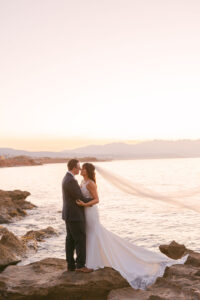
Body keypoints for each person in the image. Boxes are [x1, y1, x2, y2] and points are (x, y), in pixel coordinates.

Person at [76, 163, 188, 289]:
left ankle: (93, 262)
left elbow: (97, 199)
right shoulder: (82, 182)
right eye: (82, 168)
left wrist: (85, 205)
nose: (82, 170)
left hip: (90, 212)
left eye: (84, 168)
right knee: (90, 234)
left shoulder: (90, 183)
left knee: (94, 234)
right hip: (85, 212)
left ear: (88, 170)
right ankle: (91, 260)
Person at [62, 159, 93, 273]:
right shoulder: (71, 181)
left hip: (69, 214)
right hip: (74, 215)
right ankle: (80, 265)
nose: (80, 169)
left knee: (70, 240)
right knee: (80, 239)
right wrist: (93, 201)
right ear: (74, 168)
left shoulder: (67, 178)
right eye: (79, 167)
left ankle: (71, 265)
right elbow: (79, 197)